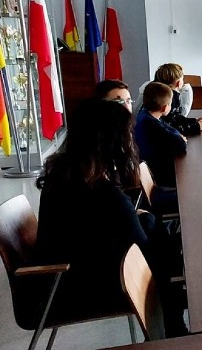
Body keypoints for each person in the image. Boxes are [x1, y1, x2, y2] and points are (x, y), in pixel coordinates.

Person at [35, 98, 187, 337]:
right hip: (74, 286)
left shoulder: (67, 173)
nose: (131, 139)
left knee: (151, 229)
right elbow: (141, 247)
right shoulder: (100, 192)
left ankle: (176, 314)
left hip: (64, 275)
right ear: (111, 140)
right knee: (159, 253)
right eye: (127, 133)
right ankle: (174, 327)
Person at [134, 82, 188, 188]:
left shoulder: (145, 114)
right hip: (158, 172)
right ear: (164, 108)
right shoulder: (151, 123)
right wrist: (179, 138)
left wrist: (177, 135)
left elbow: (168, 128)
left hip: (152, 165)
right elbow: (180, 145)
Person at [153, 63, 202, 137]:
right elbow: (172, 127)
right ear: (179, 83)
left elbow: (176, 118)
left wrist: (194, 121)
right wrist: (198, 126)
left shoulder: (157, 94)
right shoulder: (168, 99)